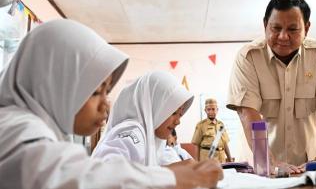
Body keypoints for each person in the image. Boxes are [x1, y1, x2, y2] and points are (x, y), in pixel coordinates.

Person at [0, 19, 222, 189]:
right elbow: (70, 177)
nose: (106, 105)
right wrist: (170, 178)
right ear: (52, 82)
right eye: (96, 92)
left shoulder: (43, 130)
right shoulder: (15, 127)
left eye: (107, 92)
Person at [226, 0, 316, 171]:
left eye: (292, 29)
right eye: (276, 28)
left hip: (309, 165)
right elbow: (249, 112)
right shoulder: (248, 57)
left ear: (306, 28)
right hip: (259, 168)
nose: (283, 36)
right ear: (265, 25)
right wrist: (269, 163)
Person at [92, 71, 195, 167]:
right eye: (173, 113)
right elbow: (106, 175)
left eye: (180, 114)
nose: (178, 121)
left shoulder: (154, 139)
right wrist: (169, 174)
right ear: (154, 107)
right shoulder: (132, 133)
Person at [192, 98, 232, 163]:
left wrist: (230, 160)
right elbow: (197, 145)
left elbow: (225, 144)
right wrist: (196, 163)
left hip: (221, 159)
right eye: (208, 109)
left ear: (217, 110)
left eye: (213, 109)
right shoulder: (201, 125)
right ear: (205, 110)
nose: (211, 112)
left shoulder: (220, 124)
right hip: (207, 159)